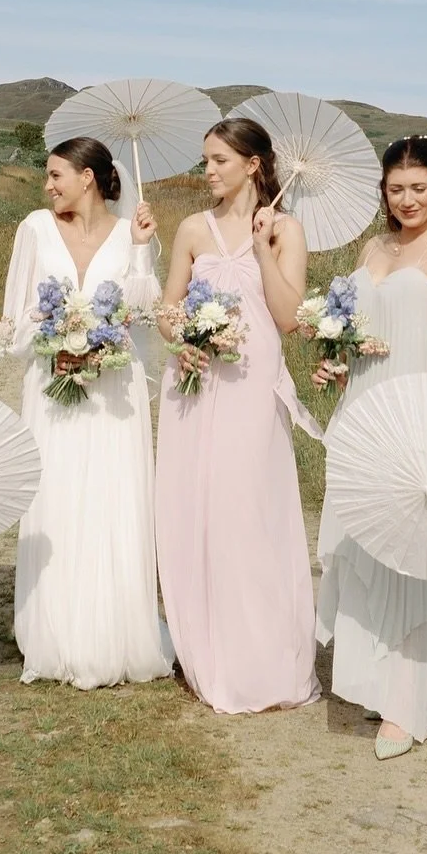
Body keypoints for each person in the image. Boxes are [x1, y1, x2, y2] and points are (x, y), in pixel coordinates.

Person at [314, 134, 427, 759]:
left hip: (415, 408)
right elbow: (360, 329)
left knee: (414, 552)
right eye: (395, 189)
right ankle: (374, 677)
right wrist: (336, 361)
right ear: (383, 192)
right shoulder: (373, 247)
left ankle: (413, 701)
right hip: (362, 407)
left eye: (418, 187)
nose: (407, 199)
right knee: (365, 544)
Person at [155, 117, 318, 713]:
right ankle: (204, 646)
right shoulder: (192, 229)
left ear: (253, 164)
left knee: (246, 508)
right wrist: (182, 340)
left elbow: (288, 319)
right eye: (206, 160)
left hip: (252, 386)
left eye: (219, 160)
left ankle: (259, 654)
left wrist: (260, 248)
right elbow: (167, 308)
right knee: (194, 508)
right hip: (194, 383)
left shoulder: (286, 230)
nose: (208, 171)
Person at [2, 136, 172, 689]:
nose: (47, 185)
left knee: (110, 497)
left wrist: (145, 248)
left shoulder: (131, 232)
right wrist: (57, 339)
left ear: (88, 177)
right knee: (56, 495)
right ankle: (52, 633)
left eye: (56, 175)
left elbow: (145, 309)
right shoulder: (34, 228)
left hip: (112, 391)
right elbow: (15, 317)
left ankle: (113, 633)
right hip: (51, 385)